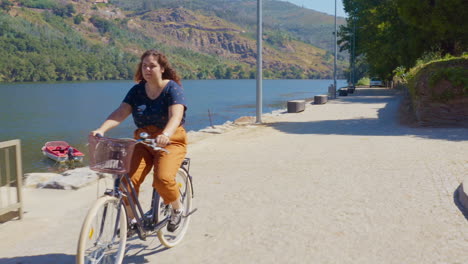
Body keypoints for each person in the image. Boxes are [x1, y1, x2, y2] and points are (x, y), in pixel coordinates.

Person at [91, 49, 187, 232]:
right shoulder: (137, 91)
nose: (147, 69)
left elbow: (176, 115)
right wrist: (101, 129)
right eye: (144, 66)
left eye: (152, 66)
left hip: (170, 141)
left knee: (163, 179)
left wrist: (165, 134)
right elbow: (121, 112)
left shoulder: (172, 88)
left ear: (162, 69)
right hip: (144, 141)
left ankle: (177, 209)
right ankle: (132, 221)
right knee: (126, 183)